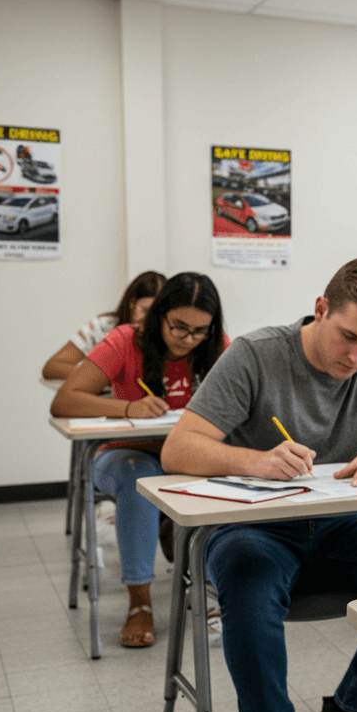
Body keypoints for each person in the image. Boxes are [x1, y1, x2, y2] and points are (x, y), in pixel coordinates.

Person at [160, 258, 357, 712]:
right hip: (251, 527)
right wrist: (255, 460)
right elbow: (177, 449)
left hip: (337, 524)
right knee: (249, 578)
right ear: (320, 309)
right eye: (349, 337)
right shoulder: (256, 353)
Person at [51, 271, 228, 648]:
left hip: (186, 457)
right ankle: (139, 602)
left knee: (225, 476)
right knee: (139, 480)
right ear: (159, 315)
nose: (188, 340)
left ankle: (207, 589)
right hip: (122, 453)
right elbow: (64, 400)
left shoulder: (216, 347)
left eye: (200, 331)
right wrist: (127, 406)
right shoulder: (125, 340)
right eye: (179, 327)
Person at [43, 270, 166, 379]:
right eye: (145, 311)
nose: (149, 320)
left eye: (157, 315)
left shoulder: (167, 332)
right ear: (132, 302)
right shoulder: (103, 326)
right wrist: (100, 377)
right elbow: (52, 367)